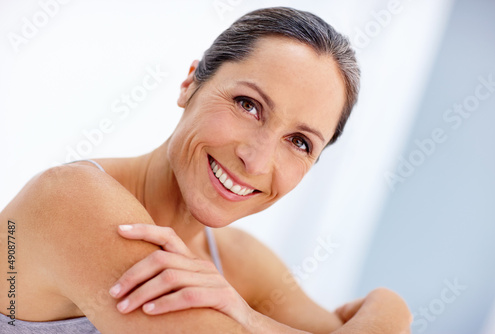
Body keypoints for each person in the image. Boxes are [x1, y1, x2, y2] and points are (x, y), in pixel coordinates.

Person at [0, 6, 411, 333]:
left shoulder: (239, 261)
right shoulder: (71, 200)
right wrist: (389, 310)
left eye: (299, 142)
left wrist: (250, 319)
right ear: (190, 83)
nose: (258, 159)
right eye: (248, 105)